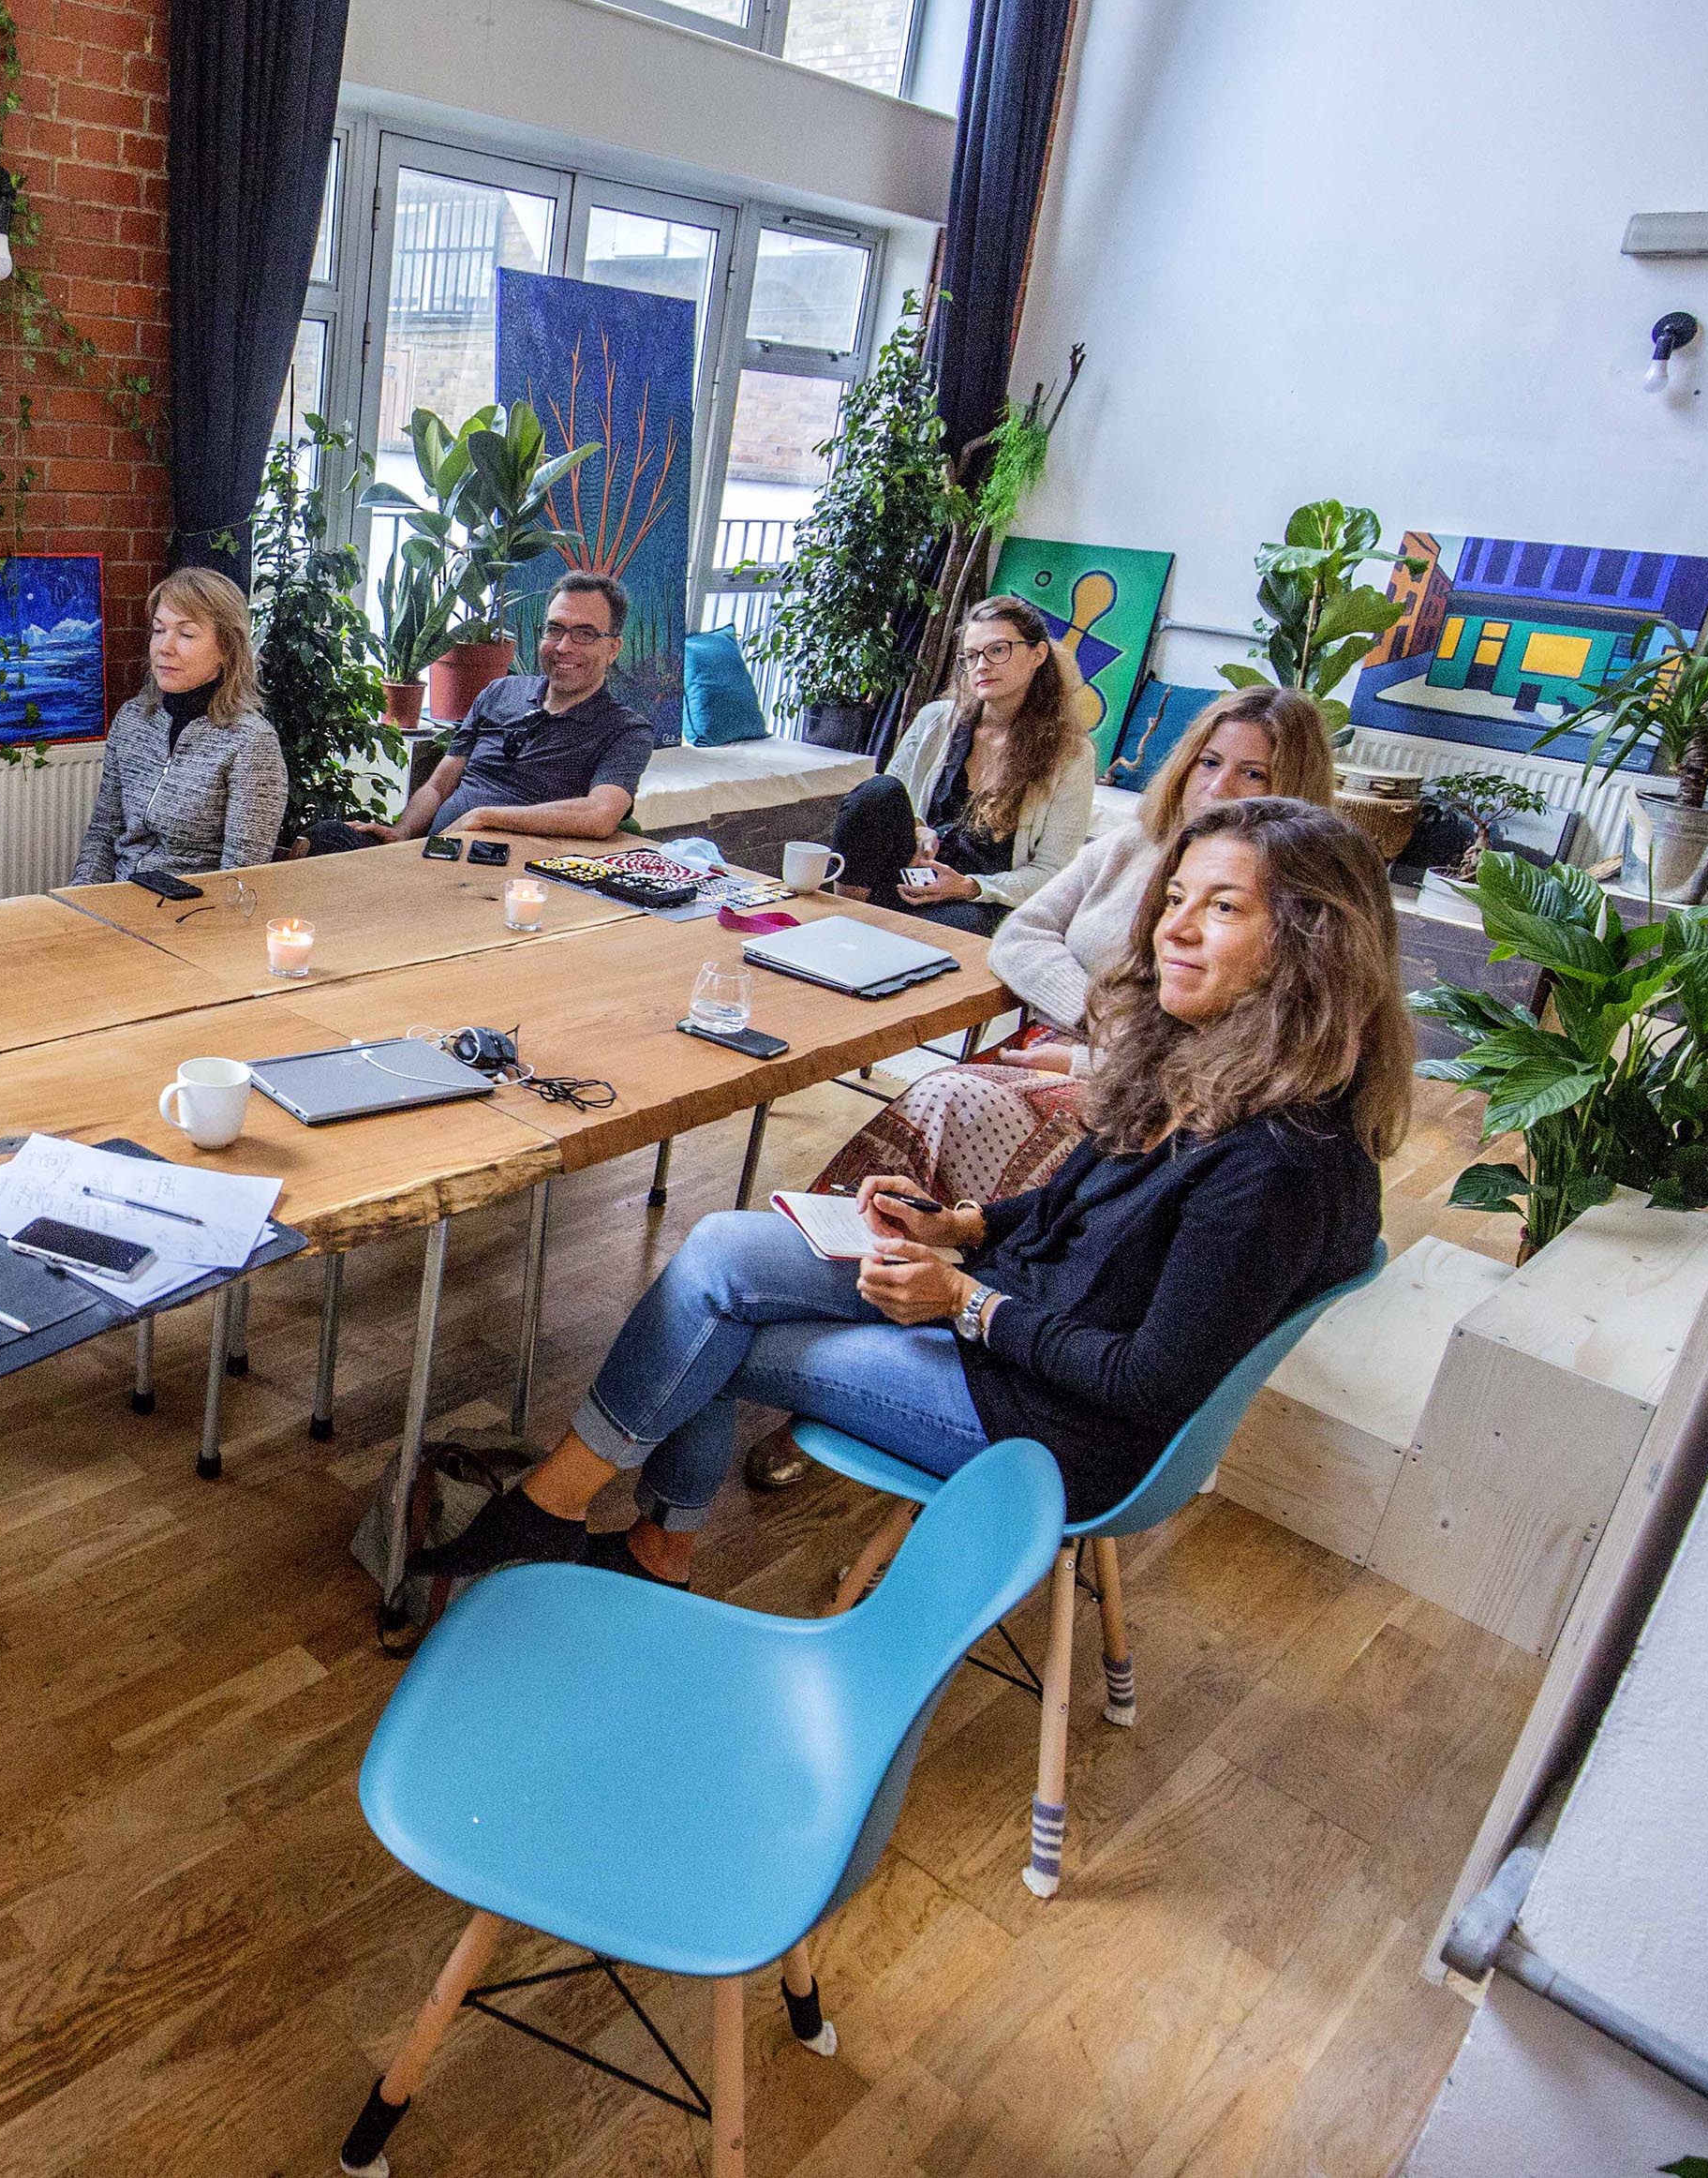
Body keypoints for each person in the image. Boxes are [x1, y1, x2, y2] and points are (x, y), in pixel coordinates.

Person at [415, 794, 1409, 1587]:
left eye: (1222, 908)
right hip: (1016, 1323)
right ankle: (591, 1524)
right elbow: (1077, 1215)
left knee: (713, 1335)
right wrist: (963, 1224)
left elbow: (1148, 1381)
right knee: (718, 1251)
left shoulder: (1280, 1163)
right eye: (1176, 897)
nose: (1173, 930)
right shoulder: (1202, 1057)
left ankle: (581, 1524)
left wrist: (965, 1302)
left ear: (1310, 940)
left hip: (1053, 1424)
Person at [744, 685, 1339, 1496]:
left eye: (1253, 773)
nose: (1220, 786)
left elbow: (1150, 1376)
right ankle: (853, 1288)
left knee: (949, 1098)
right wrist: (1117, 1029)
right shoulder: (1134, 849)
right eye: (1208, 762)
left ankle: (857, 1326)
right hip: (1090, 1061)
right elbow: (1021, 937)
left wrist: (1106, 1057)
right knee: (945, 1109)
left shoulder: (1269, 1144)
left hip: (1060, 1395)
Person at [305, 573, 654, 850]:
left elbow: (600, 814)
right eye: (554, 629)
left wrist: (486, 817)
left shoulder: (625, 730)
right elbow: (440, 785)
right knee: (326, 837)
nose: (563, 647)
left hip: (509, 866)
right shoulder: (500, 692)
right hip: (435, 850)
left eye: (584, 634)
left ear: (613, 648)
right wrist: (402, 833)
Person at [825, 595, 1095, 932]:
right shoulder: (936, 720)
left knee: (963, 925)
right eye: (971, 655)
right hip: (911, 876)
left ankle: (881, 928)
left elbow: (1054, 873)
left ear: (1037, 655)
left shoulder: (1070, 753)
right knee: (878, 791)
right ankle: (845, 918)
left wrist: (969, 886)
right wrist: (919, 829)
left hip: (978, 900)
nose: (981, 665)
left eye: (998, 650)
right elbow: (896, 805)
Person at [70, 566, 290, 884]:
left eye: (186, 634)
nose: (165, 647)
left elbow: (238, 880)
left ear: (227, 649)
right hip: (117, 897)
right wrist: (79, 898)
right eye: (159, 630)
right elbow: (103, 835)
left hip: (192, 908)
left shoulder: (252, 743)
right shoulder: (132, 719)